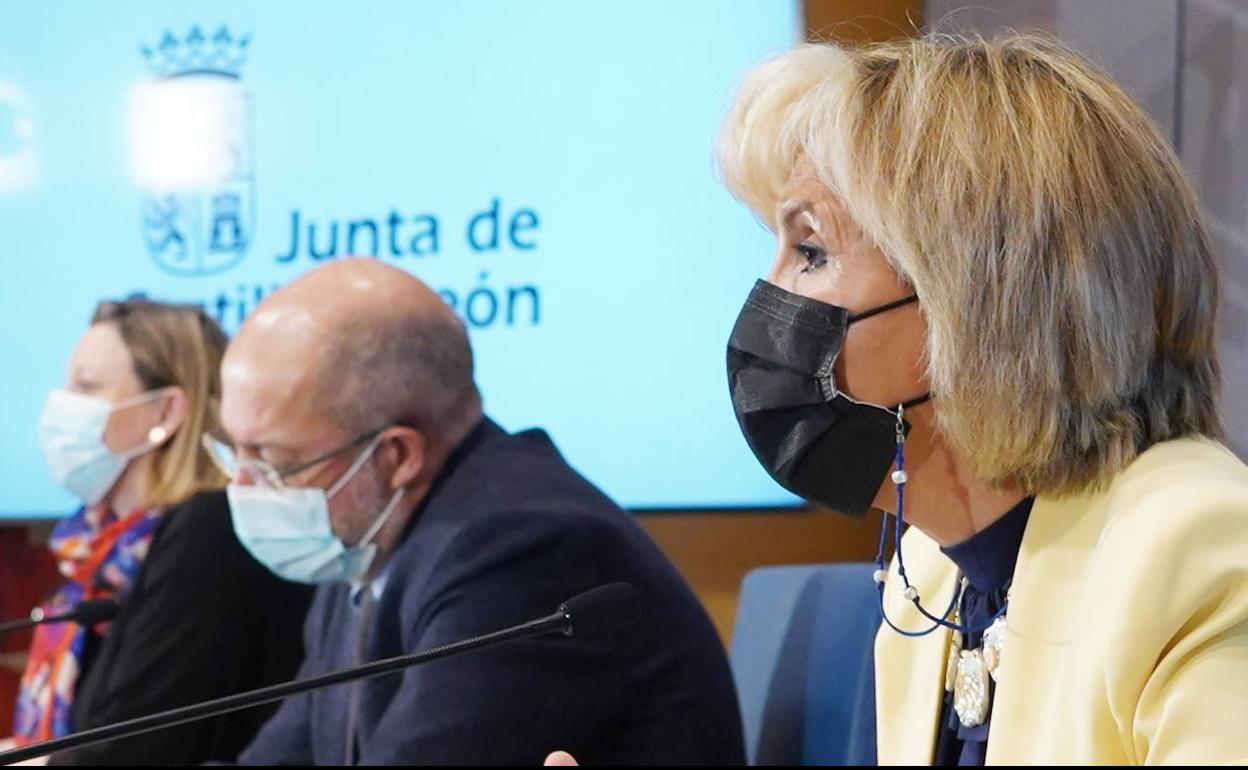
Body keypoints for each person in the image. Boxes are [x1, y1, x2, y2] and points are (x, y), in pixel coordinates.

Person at [708, 32, 1248, 764]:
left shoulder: (1202, 550)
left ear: (972, 299)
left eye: (811, 252)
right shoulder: (927, 585)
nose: (771, 295)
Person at [224, 258, 745, 765]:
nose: (242, 485)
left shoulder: (523, 550)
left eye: (274, 463)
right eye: (232, 451)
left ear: (397, 456)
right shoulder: (368, 538)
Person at [13, 297, 314, 765]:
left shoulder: (211, 534)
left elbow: (139, 747)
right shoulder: (98, 554)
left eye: (86, 387)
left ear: (165, 412)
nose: (60, 407)